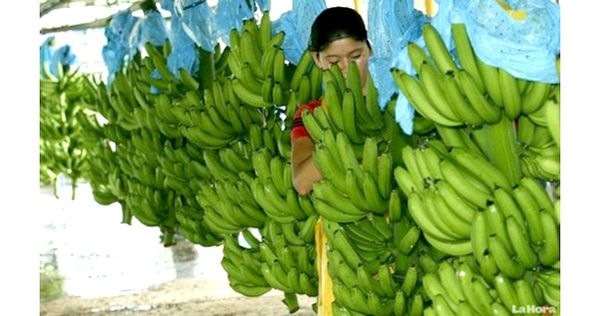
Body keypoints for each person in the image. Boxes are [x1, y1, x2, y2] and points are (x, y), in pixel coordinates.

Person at [290, 6, 372, 315]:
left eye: (356, 57)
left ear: (369, 49)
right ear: (317, 60)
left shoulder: (395, 104)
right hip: (343, 246)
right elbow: (302, 181)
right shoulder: (311, 116)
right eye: (333, 61)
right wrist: (343, 137)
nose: (347, 70)